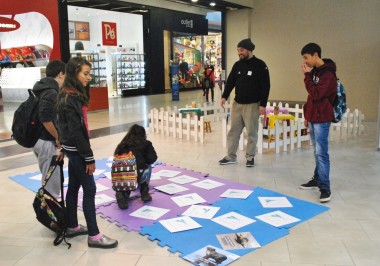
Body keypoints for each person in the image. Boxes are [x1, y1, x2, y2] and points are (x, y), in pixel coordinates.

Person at [57, 56, 118, 248]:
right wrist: (88, 157)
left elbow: (66, 127)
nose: (88, 78)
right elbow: (76, 131)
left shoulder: (67, 94)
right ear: (75, 73)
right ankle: (94, 235)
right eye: (85, 74)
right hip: (77, 151)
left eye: (89, 74)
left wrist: (63, 147)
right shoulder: (70, 98)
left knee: (74, 187)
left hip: (71, 149)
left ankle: (73, 226)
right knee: (90, 190)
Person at [219, 38, 270, 167]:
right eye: (238, 50)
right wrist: (224, 96)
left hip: (252, 105)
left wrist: (263, 104)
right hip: (237, 104)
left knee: (252, 132)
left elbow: (266, 86)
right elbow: (230, 81)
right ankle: (231, 156)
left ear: (249, 50)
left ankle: (250, 157)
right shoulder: (237, 65)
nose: (239, 53)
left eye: (241, 50)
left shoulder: (260, 65)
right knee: (233, 132)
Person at [299, 43, 337, 203]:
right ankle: (317, 179)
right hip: (314, 117)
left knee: (322, 153)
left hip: (322, 119)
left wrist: (306, 76)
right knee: (317, 151)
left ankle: (325, 188)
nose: (305, 62)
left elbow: (316, 93)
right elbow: (310, 98)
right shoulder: (315, 72)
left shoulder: (328, 74)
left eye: (306, 58)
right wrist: (307, 114)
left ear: (315, 55)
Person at [32, 60, 66, 199]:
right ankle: (50, 216)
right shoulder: (51, 92)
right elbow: (45, 118)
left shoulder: (40, 88)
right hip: (46, 141)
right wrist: (58, 137)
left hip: (36, 139)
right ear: (60, 75)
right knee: (51, 183)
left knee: (47, 178)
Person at [114, 124, 158, 209]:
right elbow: (152, 158)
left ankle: (122, 194)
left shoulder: (122, 144)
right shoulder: (146, 144)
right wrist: (144, 161)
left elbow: (116, 156)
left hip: (121, 175)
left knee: (127, 179)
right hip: (138, 173)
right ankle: (144, 191)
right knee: (146, 167)